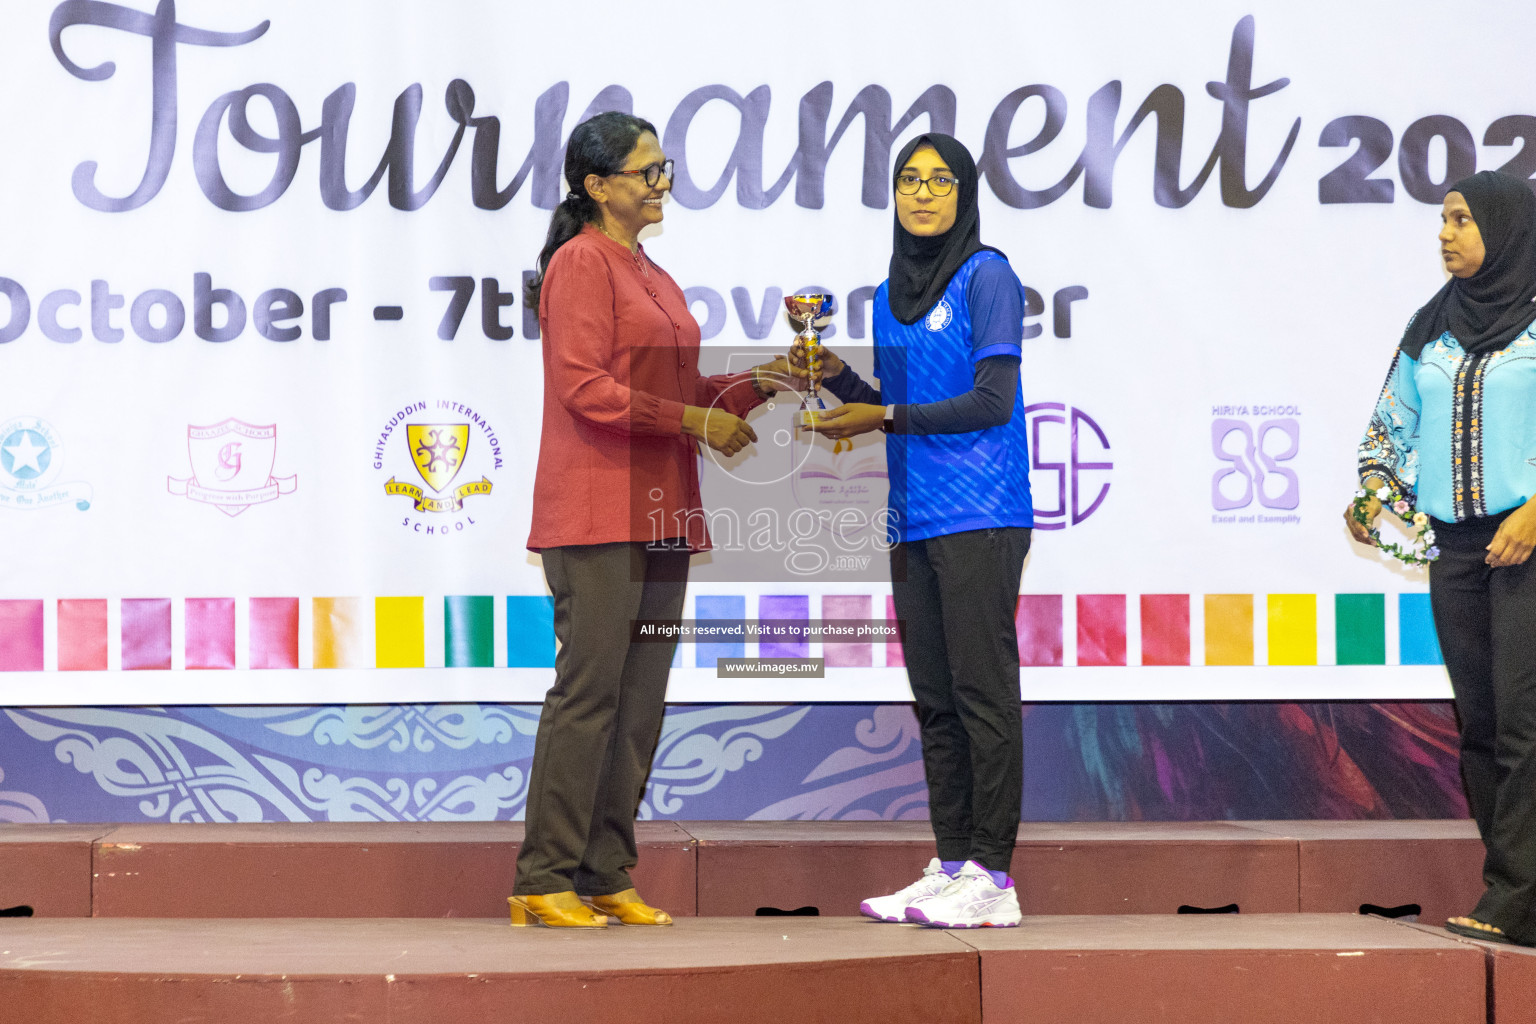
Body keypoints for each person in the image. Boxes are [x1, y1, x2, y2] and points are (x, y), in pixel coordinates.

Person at [511, 111, 782, 928]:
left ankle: (604, 871)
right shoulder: (581, 263)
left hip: (663, 514)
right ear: (596, 186)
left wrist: (764, 382)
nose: (662, 184)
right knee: (590, 694)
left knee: (641, 700)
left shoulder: (651, 272)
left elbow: (685, 395)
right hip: (596, 514)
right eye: (647, 171)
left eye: (666, 170)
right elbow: (584, 389)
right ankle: (542, 878)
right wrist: (697, 422)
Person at [794, 133, 1034, 928]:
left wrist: (882, 413)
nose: (923, 193)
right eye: (907, 179)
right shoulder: (886, 295)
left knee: (982, 694)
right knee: (935, 700)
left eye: (939, 180)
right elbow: (884, 402)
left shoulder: (987, 275)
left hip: (982, 514)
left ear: (965, 193)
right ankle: (955, 860)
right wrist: (827, 373)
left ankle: (995, 880)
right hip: (913, 519)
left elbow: (990, 401)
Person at [1348, 169, 1536, 947]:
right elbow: (1390, 429)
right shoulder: (1434, 325)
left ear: (1507, 229)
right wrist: (1373, 494)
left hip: (1528, 543)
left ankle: (1514, 900)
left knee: (1527, 723)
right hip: (1456, 549)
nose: (1445, 233)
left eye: (1461, 219)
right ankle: (1515, 887)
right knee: (1482, 726)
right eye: (1442, 219)